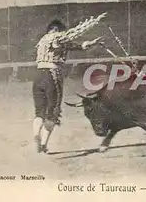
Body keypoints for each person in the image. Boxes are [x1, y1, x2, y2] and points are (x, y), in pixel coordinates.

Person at [32, 13, 106, 153]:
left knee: (39, 112)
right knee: (53, 112)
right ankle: (43, 144)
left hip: (38, 76)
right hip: (51, 76)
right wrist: (95, 20)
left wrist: (91, 43)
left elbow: (76, 45)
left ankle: (36, 134)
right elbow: (75, 33)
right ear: (56, 29)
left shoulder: (43, 41)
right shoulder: (56, 36)